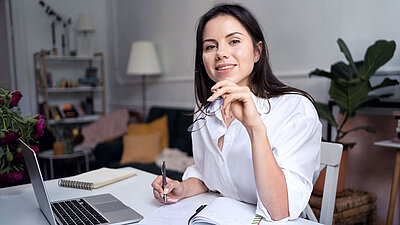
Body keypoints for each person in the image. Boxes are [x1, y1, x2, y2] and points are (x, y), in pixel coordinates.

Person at [151, 3, 321, 222]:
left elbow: (279, 210)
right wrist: (181, 189)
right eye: (210, 46)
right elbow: (207, 174)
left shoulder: (296, 108)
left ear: (257, 51)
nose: (221, 53)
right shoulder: (206, 109)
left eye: (234, 41)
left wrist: (255, 128)